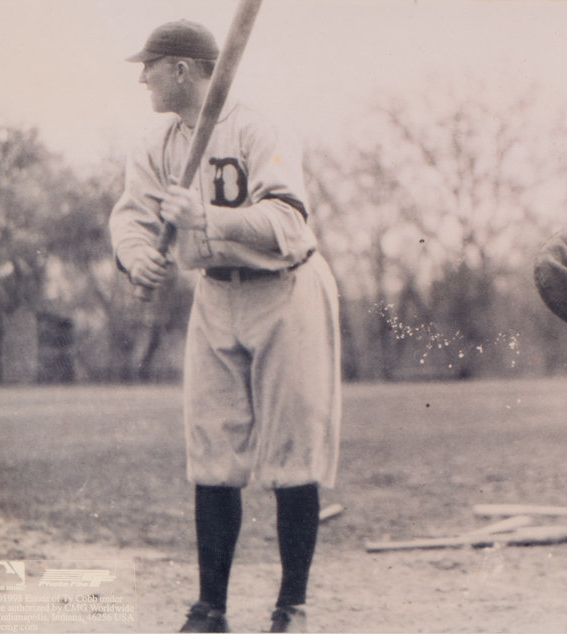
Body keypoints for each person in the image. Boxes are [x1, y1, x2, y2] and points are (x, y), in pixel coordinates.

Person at [109, 20, 341, 634]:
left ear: (182, 69)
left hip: (286, 289)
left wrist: (208, 217)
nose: (143, 78)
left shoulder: (259, 126)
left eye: (150, 66)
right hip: (214, 294)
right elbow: (129, 217)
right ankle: (211, 609)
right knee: (212, 456)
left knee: (292, 455)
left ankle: (291, 608)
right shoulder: (157, 143)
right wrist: (137, 256)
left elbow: (288, 223)